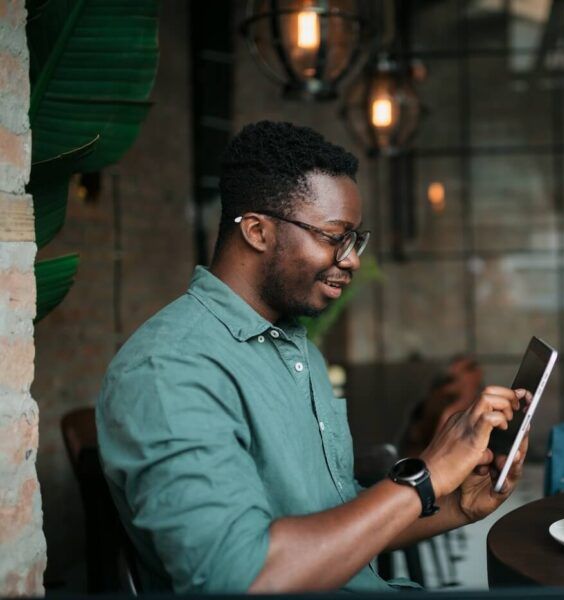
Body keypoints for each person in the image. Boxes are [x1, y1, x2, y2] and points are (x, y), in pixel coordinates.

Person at [96, 121, 530, 593]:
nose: (352, 260)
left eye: (355, 240)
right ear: (258, 231)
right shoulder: (169, 370)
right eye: (333, 237)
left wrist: (456, 504)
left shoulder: (291, 346)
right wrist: (425, 479)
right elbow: (239, 578)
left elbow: (334, 519)